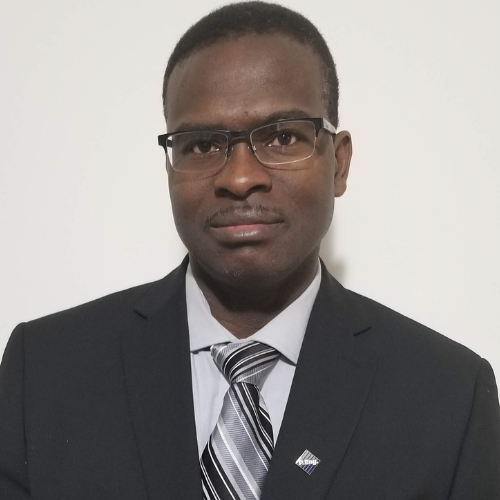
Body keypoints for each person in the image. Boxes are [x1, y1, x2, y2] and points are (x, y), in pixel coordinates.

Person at [1, 1, 499, 499]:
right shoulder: (45, 372)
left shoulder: (449, 397)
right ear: (169, 169)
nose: (240, 178)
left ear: (339, 164)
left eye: (282, 137)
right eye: (201, 145)